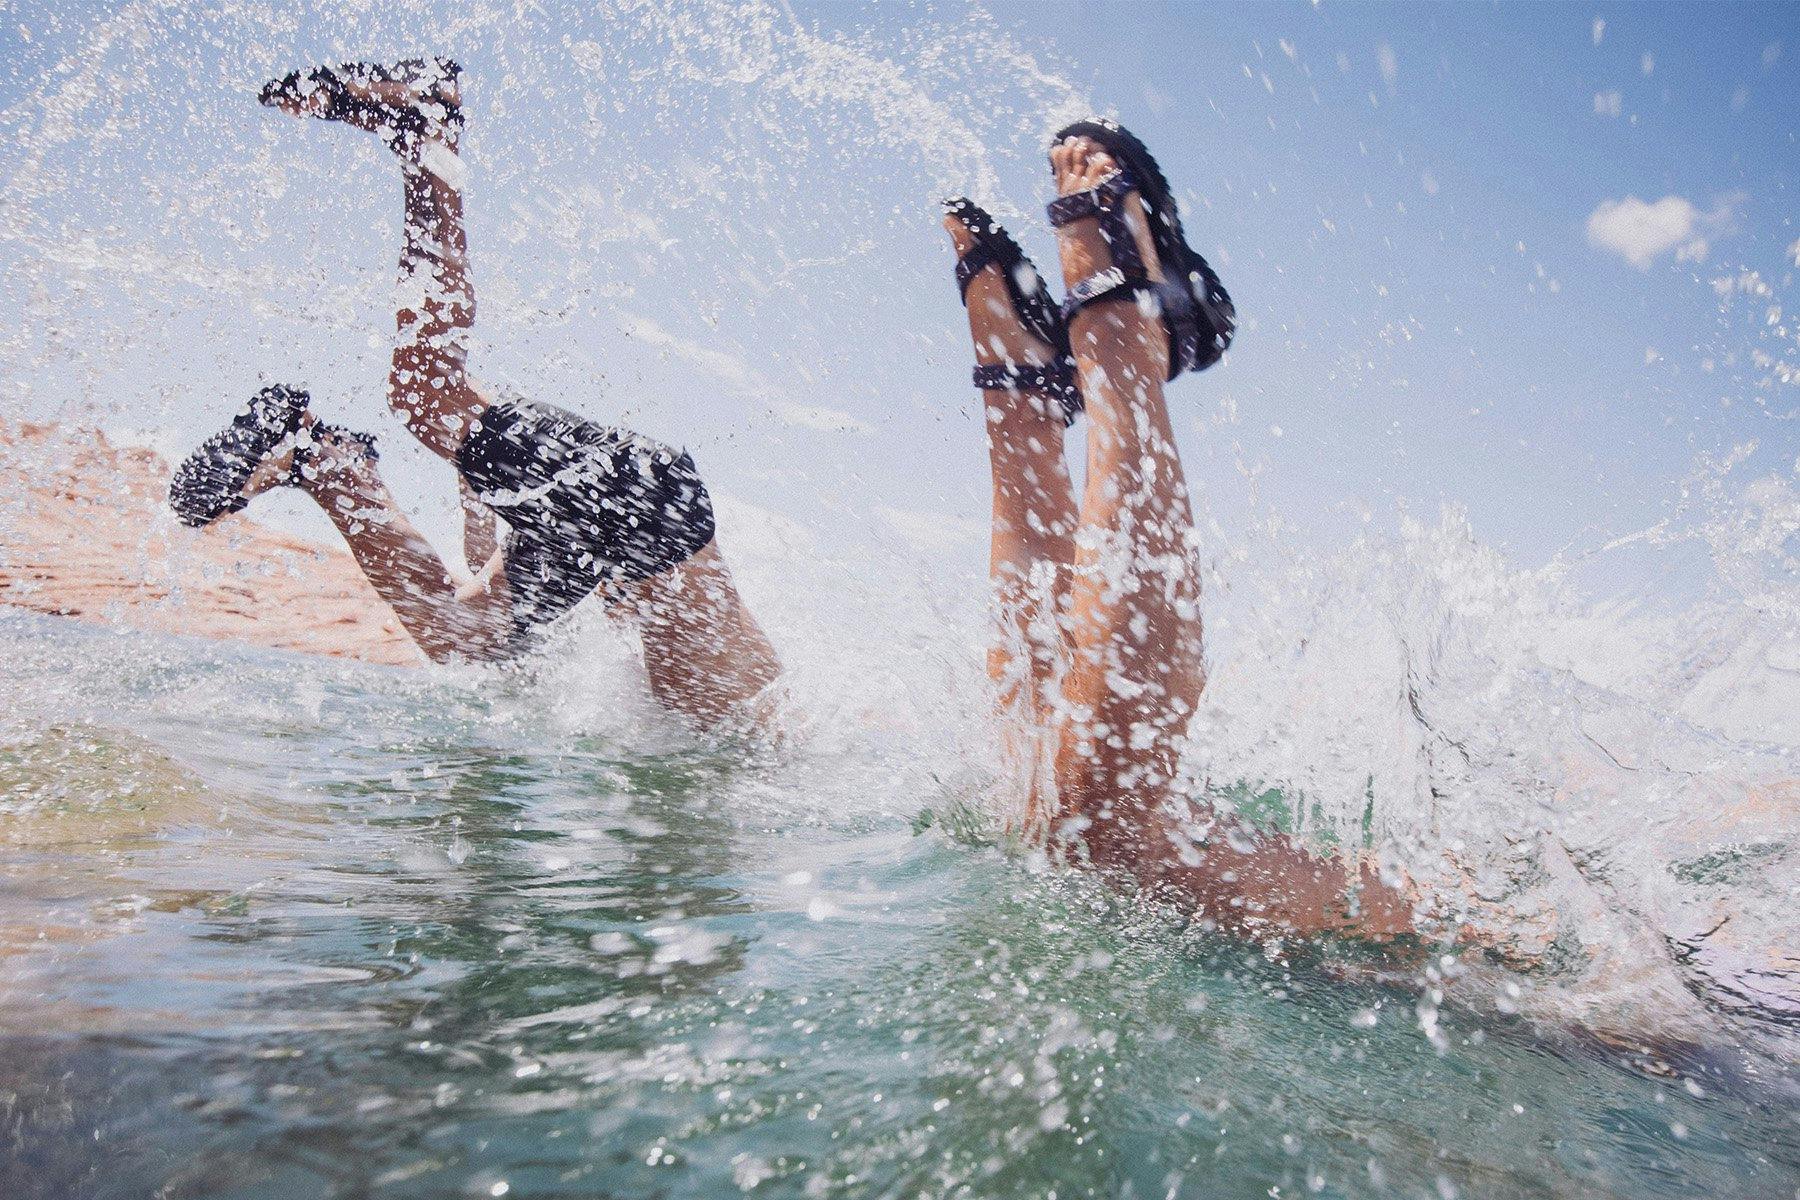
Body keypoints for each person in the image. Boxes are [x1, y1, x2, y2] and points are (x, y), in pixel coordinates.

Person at [168, 59, 780, 731]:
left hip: (609, 535)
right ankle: (427, 133)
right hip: (641, 512)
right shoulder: (755, 743)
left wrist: (478, 494)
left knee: (466, 642)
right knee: (426, 394)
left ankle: (326, 465)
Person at [943, 119, 1418, 940]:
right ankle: (1118, 345)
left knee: (1029, 792)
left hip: (1445, 930)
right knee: (1094, 839)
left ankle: (1027, 399)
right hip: (1463, 932)